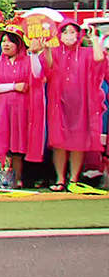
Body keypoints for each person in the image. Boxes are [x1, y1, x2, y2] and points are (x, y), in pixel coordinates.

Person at [42, 20, 105, 191]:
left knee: (78, 141)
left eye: (72, 32)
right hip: (58, 103)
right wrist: (46, 49)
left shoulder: (85, 52)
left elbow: (99, 58)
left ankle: (74, 179)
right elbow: (47, 68)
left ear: (78, 34)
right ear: (60, 35)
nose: (69, 36)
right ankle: (60, 179)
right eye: (65, 32)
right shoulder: (55, 52)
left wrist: (94, 39)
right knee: (59, 142)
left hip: (81, 105)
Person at [0, 27, 46, 189]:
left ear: (19, 44)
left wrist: (35, 54)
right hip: (0, 112)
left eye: (10, 41)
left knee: (17, 147)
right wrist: (14, 86)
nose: (6, 44)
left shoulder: (28, 61)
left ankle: (16, 182)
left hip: (21, 112)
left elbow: (37, 76)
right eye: (3, 41)